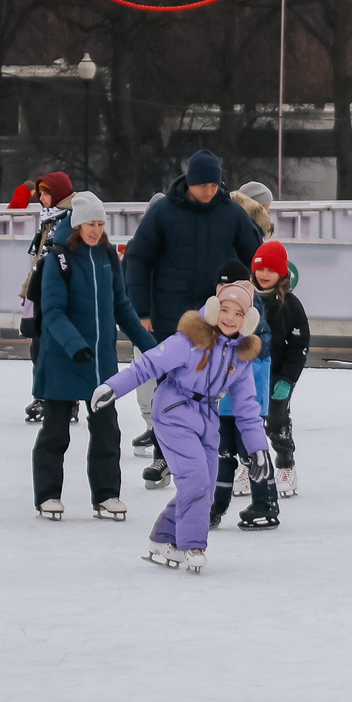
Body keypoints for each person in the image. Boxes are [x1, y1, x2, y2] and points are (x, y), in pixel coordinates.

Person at [94, 275, 272, 573]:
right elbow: (147, 364)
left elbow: (247, 408)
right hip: (174, 411)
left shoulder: (240, 356)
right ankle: (192, 546)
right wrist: (113, 387)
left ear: (247, 319)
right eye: (225, 309)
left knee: (206, 486)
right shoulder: (189, 340)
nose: (230, 318)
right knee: (195, 480)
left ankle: (163, 538)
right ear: (215, 309)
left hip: (207, 419)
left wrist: (258, 448)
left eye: (238, 313)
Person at [122, 150, 264, 487]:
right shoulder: (164, 213)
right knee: (168, 384)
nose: (209, 191)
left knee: (209, 386)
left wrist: (251, 294)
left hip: (217, 316)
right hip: (171, 316)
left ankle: (204, 450)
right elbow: (138, 259)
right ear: (189, 182)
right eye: (203, 185)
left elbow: (254, 256)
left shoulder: (231, 213)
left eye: (214, 184)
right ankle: (162, 456)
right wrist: (141, 311)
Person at [33, 190, 155, 521]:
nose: (96, 229)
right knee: (56, 431)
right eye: (90, 223)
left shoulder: (107, 257)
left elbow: (122, 307)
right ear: (76, 223)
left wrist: (152, 348)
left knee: (107, 432)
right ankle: (47, 495)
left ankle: (106, 495)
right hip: (64, 359)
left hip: (100, 363)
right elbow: (53, 312)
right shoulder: (58, 259)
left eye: (101, 223)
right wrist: (76, 346)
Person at [207, 259, 282, 532]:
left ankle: (265, 502)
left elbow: (258, 354)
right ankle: (215, 505)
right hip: (220, 404)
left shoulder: (250, 315)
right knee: (221, 455)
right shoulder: (214, 316)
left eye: (234, 285)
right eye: (222, 284)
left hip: (246, 402)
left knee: (252, 452)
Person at [17, 170, 75, 424]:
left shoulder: (72, 220)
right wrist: (26, 290)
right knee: (38, 346)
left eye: (45, 192)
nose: (40, 198)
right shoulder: (48, 220)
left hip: (61, 296)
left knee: (58, 347)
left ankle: (65, 398)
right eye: (39, 192)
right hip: (41, 293)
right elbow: (37, 260)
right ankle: (43, 395)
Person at [251, 241, 309, 494]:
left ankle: (286, 463)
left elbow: (299, 345)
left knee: (276, 419)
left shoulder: (291, 305)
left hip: (277, 374)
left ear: (282, 274)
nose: (264, 275)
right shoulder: (243, 297)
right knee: (245, 420)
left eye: (271, 271)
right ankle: (248, 464)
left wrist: (287, 378)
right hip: (247, 371)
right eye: (260, 269)